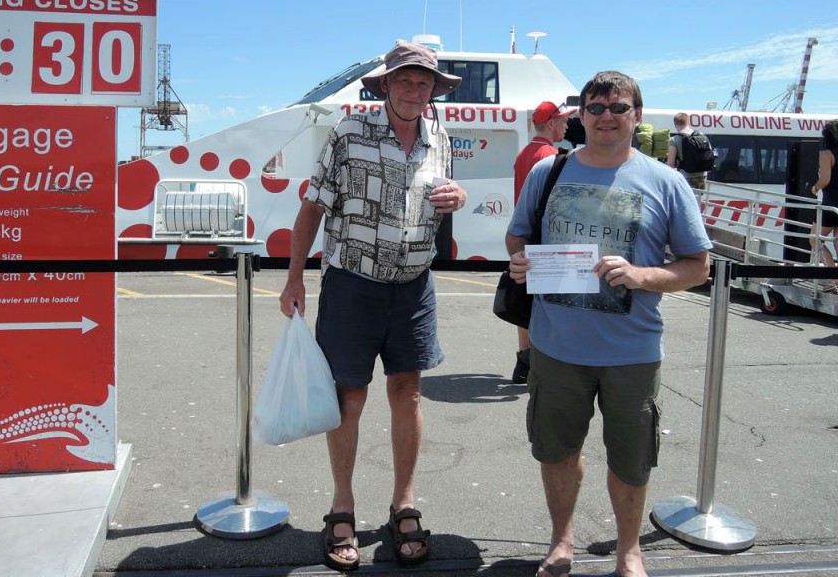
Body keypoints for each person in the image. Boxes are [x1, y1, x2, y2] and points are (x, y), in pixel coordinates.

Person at [504, 71, 711, 577]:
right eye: (595, 108)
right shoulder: (548, 173)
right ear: (581, 116)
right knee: (557, 452)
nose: (606, 117)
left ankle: (628, 552)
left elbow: (698, 266)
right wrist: (521, 262)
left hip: (631, 353)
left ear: (637, 116)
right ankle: (561, 543)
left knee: (631, 461)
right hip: (556, 348)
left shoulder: (666, 182)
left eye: (618, 107)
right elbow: (517, 240)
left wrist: (640, 275)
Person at [278, 41, 468, 571]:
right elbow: (312, 206)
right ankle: (342, 506)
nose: (414, 89)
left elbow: (443, 196)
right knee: (350, 398)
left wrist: (459, 199)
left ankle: (403, 503)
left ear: (434, 90)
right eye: (404, 80)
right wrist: (294, 279)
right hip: (351, 286)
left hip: (413, 287)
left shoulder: (440, 138)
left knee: (407, 394)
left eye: (424, 82)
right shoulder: (348, 132)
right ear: (386, 85)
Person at [509, 100, 577, 384]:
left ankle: (523, 357)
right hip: (547, 240)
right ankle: (541, 363)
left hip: (525, 236)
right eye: (562, 121)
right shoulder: (551, 155)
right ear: (550, 123)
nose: (566, 125)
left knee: (527, 300)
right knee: (549, 306)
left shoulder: (525, 152)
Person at [810, 119, 838, 290]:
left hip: (831, 203)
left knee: (815, 239)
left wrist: (815, 187)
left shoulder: (827, 154)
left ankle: (833, 274)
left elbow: (825, 180)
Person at [667, 112, 711, 190]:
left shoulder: (674, 139)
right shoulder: (702, 135)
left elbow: (671, 164)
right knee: (698, 200)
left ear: (675, 124)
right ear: (689, 122)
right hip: (702, 176)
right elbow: (709, 153)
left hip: (686, 177)